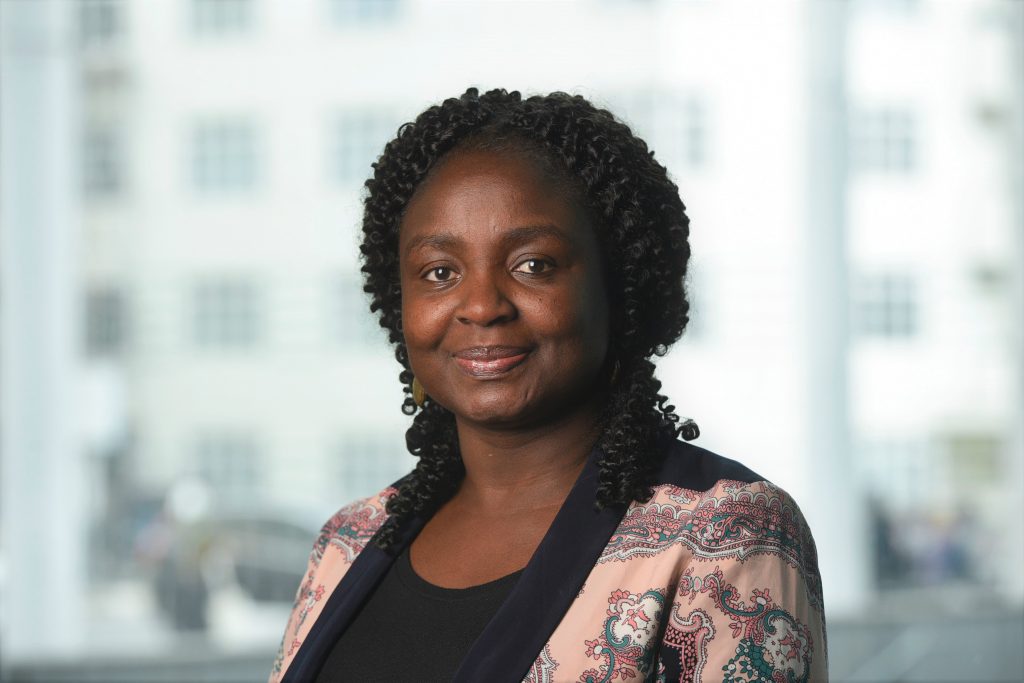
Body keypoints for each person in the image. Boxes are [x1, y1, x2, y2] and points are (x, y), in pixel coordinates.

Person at [270, 88, 826, 682]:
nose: (481, 306)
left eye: (533, 265)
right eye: (440, 272)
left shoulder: (726, 533)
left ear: (620, 287)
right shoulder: (348, 540)